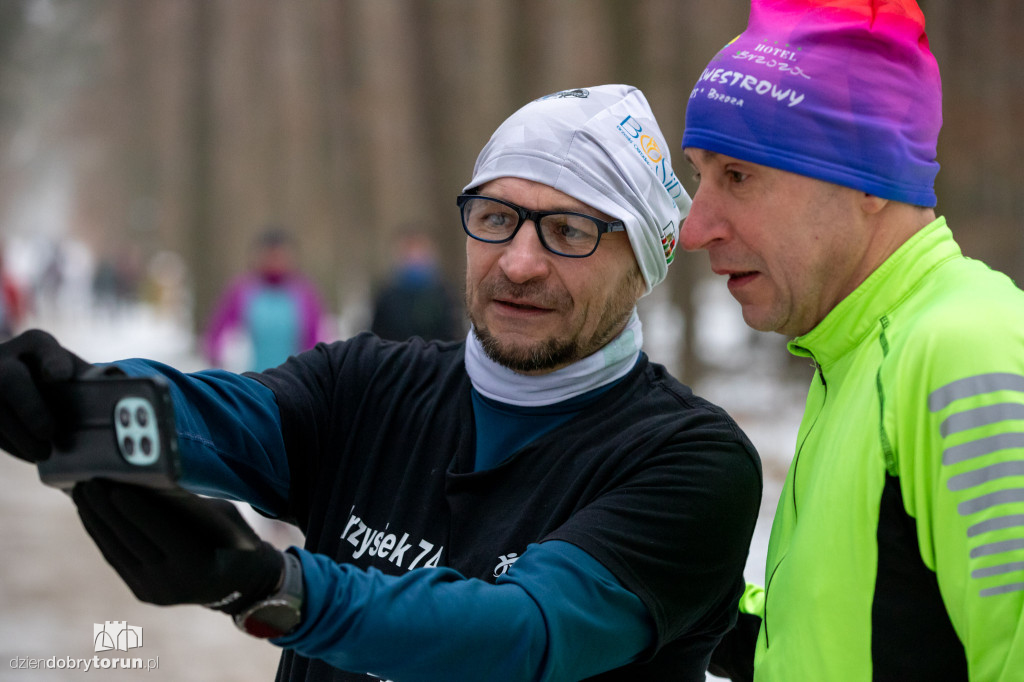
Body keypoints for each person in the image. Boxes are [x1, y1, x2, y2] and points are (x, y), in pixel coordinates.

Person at [0, 84, 762, 681]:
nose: (520, 262)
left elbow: (526, 634)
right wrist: (77, 397)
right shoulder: (369, 384)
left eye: (570, 231)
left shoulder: (690, 461)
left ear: (643, 267)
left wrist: (276, 590)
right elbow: (221, 418)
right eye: (496, 216)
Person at [679, 1, 1024, 680]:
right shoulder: (856, 353)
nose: (696, 228)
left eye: (738, 176)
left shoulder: (963, 348)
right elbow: (867, 637)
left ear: (865, 180)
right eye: (700, 177)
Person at [203, 226, 327, 371]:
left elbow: (316, 337)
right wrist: (217, 360)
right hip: (253, 379)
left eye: (281, 255)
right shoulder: (243, 290)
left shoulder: (304, 292)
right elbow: (217, 331)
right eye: (270, 255)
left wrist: (314, 369)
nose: (275, 261)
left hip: (296, 379)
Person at [369, 226, 460, 342]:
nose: (415, 257)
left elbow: (453, 334)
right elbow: (377, 338)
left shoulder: (444, 294)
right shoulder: (386, 297)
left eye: (419, 250)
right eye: (409, 251)